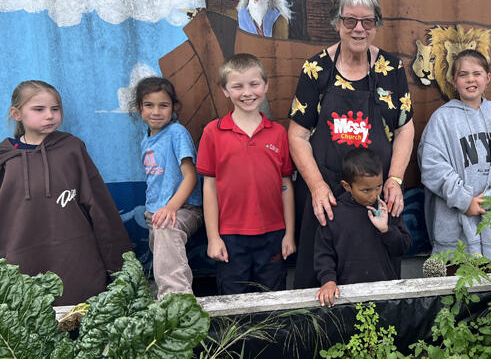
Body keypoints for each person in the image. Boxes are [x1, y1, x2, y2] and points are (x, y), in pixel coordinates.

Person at [288, 0, 414, 288]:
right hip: (328, 196)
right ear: (337, 23)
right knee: (320, 273)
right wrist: (317, 187)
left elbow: (404, 128)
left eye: (367, 21)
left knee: (375, 271)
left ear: (376, 25)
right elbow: (297, 135)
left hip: (373, 192)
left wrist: (394, 180)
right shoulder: (316, 69)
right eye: (350, 21)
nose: (359, 29)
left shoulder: (391, 68)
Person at [0, 80, 132, 305]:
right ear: (16, 113)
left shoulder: (72, 149)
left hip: (75, 257)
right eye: (39, 109)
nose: (49, 115)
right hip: (20, 259)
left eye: (55, 109)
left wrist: (121, 269)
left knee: (82, 321)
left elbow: (100, 206)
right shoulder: (5, 159)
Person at [198, 54, 296, 294]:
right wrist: (213, 237)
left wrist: (289, 234)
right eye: (237, 86)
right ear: (224, 90)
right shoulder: (213, 132)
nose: (247, 92)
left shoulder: (278, 133)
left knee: (273, 301)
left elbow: (286, 185)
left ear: (266, 86)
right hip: (231, 236)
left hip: (273, 234)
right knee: (234, 301)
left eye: (254, 84)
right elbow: (209, 187)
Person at [418, 49, 491, 263]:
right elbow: (431, 165)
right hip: (454, 224)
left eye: (476, 73)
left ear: (488, 77)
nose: (470, 79)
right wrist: (464, 200)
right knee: (455, 285)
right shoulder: (442, 119)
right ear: (454, 81)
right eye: (463, 74)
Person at [133, 77, 202, 298]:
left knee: (166, 230)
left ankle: (176, 301)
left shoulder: (176, 132)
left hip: (183, 208)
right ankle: (167, 296)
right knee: (163, 256)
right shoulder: (146, 140)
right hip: (155, 212)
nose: (156, 111)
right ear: (138, 108)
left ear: (173, 107)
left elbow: (190, 176)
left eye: (163, 105)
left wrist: (172, 207)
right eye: (149, 105)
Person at [314, 148, 412, 306]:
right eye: (366, 190)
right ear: (347, 186)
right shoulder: (335, 214)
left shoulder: (387, 207)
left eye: (378, 187)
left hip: (387, 294)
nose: (374, 195)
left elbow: (403, 247)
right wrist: (328, 280)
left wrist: (386, 230)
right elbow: (324, 253)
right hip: (347, 297)